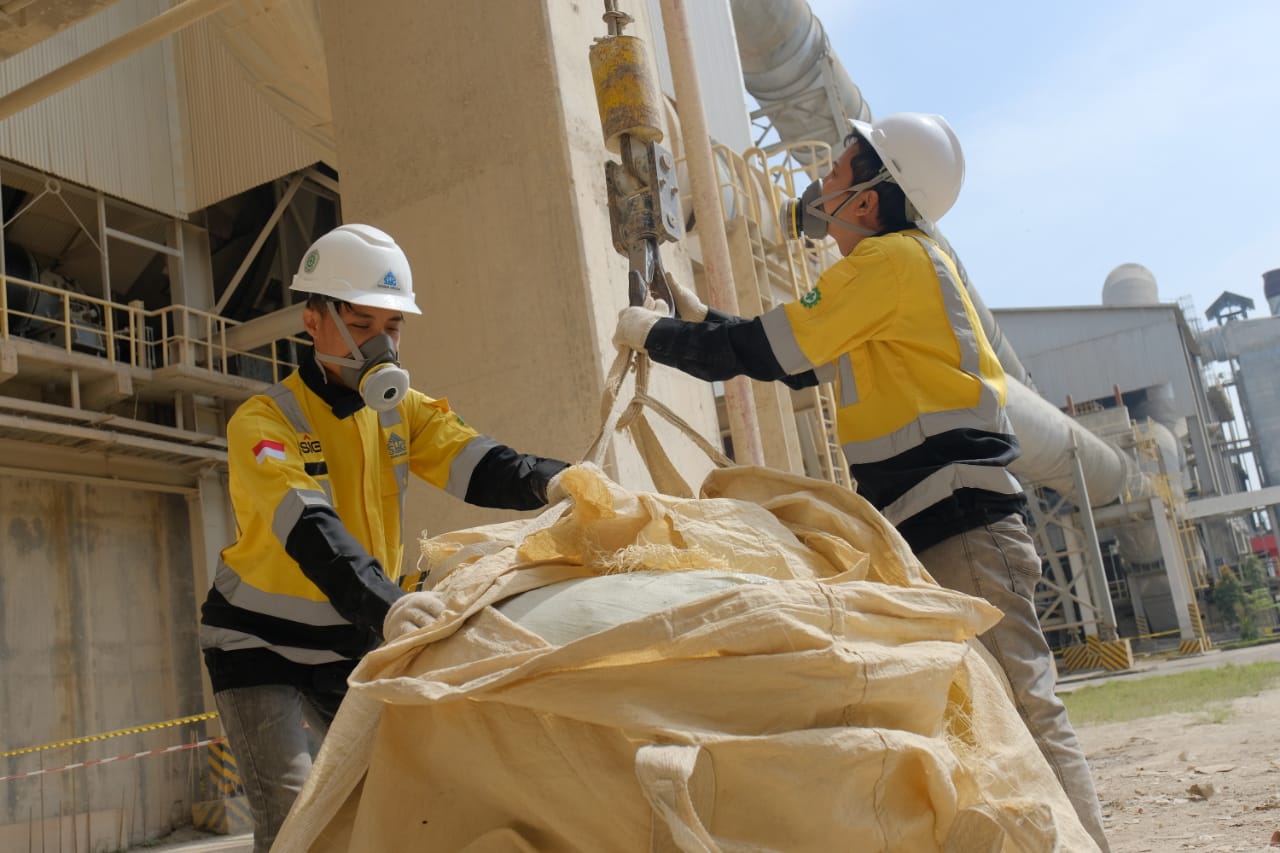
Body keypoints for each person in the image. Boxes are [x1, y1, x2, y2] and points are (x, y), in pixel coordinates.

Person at [613, 113, 1110, 851]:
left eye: (838, 170)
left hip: (961, 521)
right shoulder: (887, 277)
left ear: (871, 200)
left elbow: (761, 350)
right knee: (975, 714)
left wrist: (654, 334)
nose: (821, 183)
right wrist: (693, 315)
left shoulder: (890, 264)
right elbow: (793, 355)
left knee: (1022, 704)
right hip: (933, 526)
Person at [198, 223, 569, 852]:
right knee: (296, 820)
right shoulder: (264, 422)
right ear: (313, 321)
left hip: (353, 641)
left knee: (393, 803)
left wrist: (559, 482)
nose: (379, 345)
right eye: (361, 324)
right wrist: (387, 603)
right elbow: (308, 527)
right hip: (259, 643)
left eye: (392, 327)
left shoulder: (403, 411)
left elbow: (481, 463)